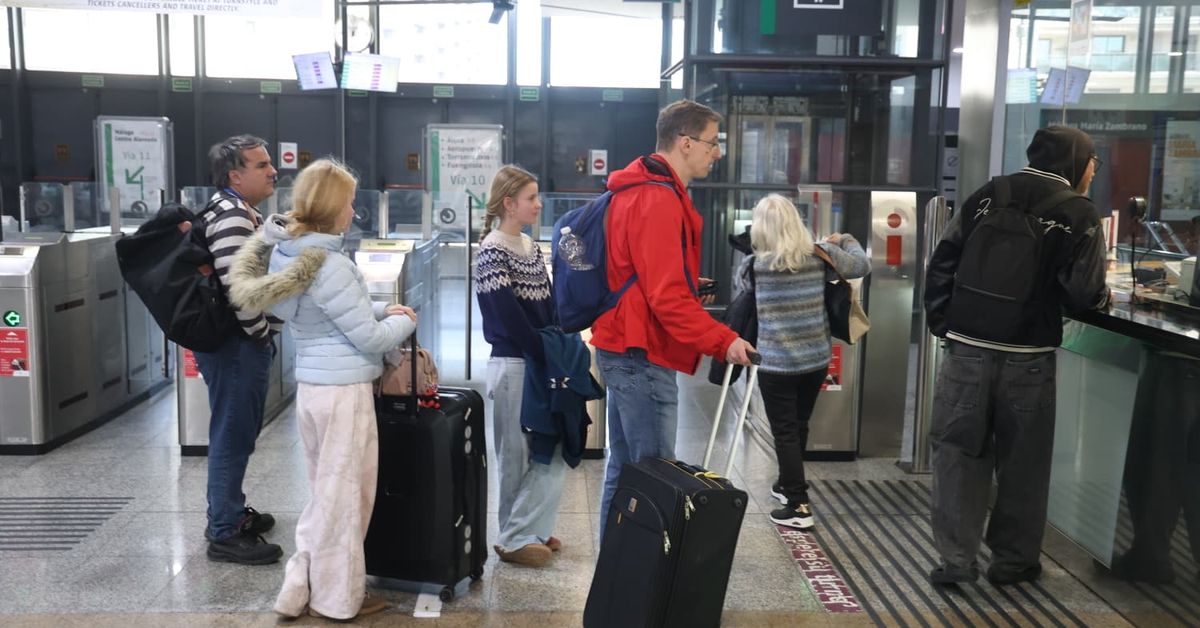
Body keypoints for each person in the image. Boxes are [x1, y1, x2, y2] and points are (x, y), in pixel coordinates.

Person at [227, 158, 417, 620]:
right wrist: (401, 321)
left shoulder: (290, 256)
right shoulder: (331, 264)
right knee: (347, 499)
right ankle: (339, 597)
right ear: (335, 208)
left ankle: (300, 587)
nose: (354, 210)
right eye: (350, 201)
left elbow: (325, 316)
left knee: (325, 495)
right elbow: (368, 339)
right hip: (344, 394)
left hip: (313, 387)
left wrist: (374, 310)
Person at [924, 125, 1110, 586]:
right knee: (1023, 462)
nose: (1093, 171)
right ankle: (1012, 561)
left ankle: (956, 562)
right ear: (1075, 162)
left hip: (967, 349)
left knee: (957, 454)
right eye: (1092, 162)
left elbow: (943, 258)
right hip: (1028, 355)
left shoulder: (989, 194)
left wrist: (947, 325)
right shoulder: (1079, 213)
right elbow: (1082, 294)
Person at [589, 99, 756, 535]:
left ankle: (619, 576)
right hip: (642, 354)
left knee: (628, 471)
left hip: (624, 344)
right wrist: (725, 341)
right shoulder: (657, 199)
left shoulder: (635, 189)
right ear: (685, 143)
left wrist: (685, 280)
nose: (716, 152)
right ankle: (639, 586)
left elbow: (644, 275)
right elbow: (666, 300)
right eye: (711, 142)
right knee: (652, 480)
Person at [742, 194, 869, 530]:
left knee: (784, 431)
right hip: (814, 361)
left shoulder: (754, 266)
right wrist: (843, 240)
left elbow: (744, 288)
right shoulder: (818, 257)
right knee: (798, 425)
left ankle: (799, 505)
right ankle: (787, 484)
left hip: (776, 365)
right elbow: (861, 265)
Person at [196, 135, 283, 565]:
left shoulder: (239, 211)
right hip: (236, 344)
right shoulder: (231, 216)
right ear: (235, 175)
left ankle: (230, 512)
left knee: (237, 431)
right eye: (261, 165)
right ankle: (225, 532)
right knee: (232, 435)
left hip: (236, 342)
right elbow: (240, 290)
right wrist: (262, 336)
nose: (272, 171)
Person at [475, 165, 566, 568]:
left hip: (536, 360)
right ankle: (514, 536)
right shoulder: (493, 250)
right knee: (514, 453)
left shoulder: (531, 246)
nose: (538, 204)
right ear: (509, 203)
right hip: (513, 363)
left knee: (541, 448)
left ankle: (528, 527)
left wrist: (554, 342)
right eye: (531, 198)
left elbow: (546, 308)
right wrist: (544, 349)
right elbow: (507, 318)